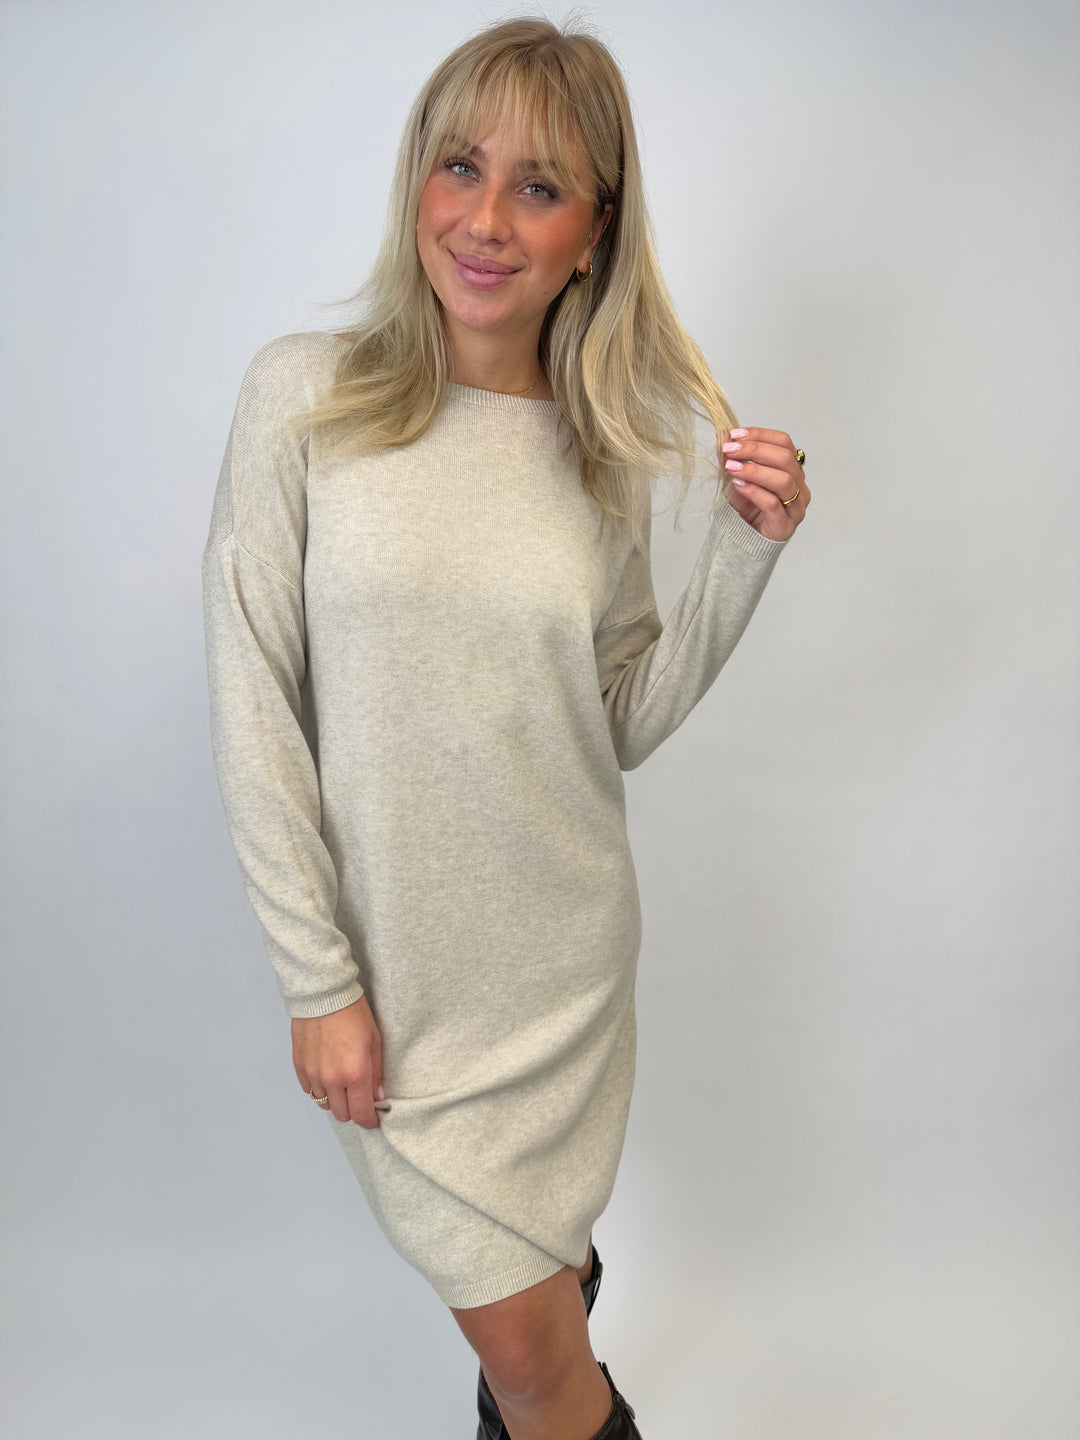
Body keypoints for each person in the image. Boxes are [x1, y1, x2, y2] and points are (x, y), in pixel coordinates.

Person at [200, 15, 810, 1440]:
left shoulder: (599, 453)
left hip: (562, 977)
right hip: (404, 994)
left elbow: (619, 718)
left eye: (539, 187)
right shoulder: (303, 396)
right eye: (459, 166)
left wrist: (743, 551)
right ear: (416, 179)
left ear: (594, 233)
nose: (484, 220)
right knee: (542, 1351)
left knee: (537, 1353)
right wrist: (318, 982)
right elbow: (253, 697)